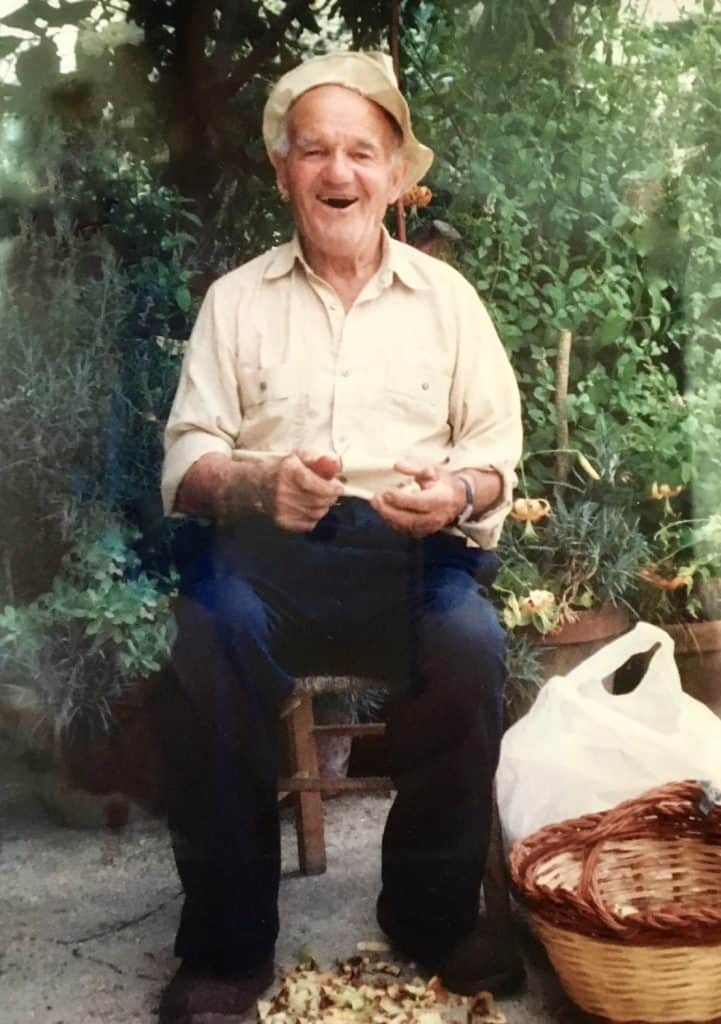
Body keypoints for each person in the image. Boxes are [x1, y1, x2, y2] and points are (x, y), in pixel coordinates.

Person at [158, 50, 524, 1024]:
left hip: (410, 558)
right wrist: (250, 480)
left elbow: (495, 450)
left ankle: (431, 918)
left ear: (396, 176)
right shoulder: (238, 301)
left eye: (363, 152)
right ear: (283, 170)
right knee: (205, 634)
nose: (338, 172)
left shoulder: (448, 303)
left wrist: (453, 490)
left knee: (470, 643)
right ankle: (226, 951)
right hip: (266, 557)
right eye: (313, 149)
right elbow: (186, 459)